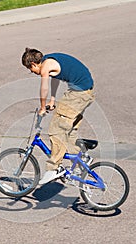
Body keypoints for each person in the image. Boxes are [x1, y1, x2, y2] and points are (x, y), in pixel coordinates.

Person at [21, 48, 95, 184]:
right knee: (70, 130)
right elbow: (55, 79)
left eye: (31, 70)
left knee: (56, 129)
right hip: (86, 92)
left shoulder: (45, 67)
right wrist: (53, 100)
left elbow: (44, 88)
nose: (33, 72)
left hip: (78, 95)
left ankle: (54, 168)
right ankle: (80, 161)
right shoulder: (49, 60)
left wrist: (43, 107)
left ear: (34, 64)